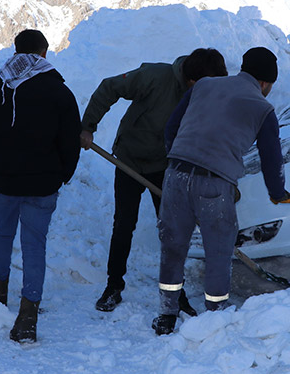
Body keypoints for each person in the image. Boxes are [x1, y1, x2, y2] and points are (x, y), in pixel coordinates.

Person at [153, 47, 290, 335]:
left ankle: (166, 315)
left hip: (176, 176)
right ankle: (216, 318)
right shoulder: (262, 108)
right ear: (266, 83)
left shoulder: (204, 85)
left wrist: (178, 162)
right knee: (218, 251)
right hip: (214, 184)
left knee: (173, 247)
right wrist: (278, 193)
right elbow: (272, 158)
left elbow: (171, 128)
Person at [80, 48, 228, 312]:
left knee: (174, 230)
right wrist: (88, 126)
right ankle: (113, 287)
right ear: (193, 80)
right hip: (129, 160)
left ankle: (176, 292)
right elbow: (109, 87)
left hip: (165, 167)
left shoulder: (205, 93)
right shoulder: (153, 76)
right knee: (124, 224)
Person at [0, 29, 80, 343]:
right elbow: (70, 140)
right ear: (44, 53)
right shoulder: (59, 91)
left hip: (3, 179)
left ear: (16, 52)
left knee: (2, 233)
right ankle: (28, 311)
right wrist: (64, 175)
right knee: (34, 244)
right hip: (43, 184)